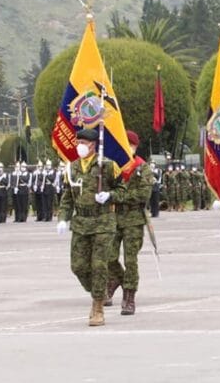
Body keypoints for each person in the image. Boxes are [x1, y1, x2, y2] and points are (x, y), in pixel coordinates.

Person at [57, 128, 127, 326]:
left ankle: (97, 308)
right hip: (81, 224)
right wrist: (63, 218)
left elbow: (122, 190)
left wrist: (110, 196)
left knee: (98, 265)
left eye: (84, 142)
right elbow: (67, 197)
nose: (79, 145)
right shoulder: (71, 168)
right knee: (78, 266)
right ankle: (99, 291)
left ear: (93, 145)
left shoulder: (107, 166)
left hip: (103, 222)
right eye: (77, 141)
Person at [106, 131, 153, 315]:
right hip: (113, 218)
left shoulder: (142, 168)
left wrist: (118, 196)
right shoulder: (113, 167)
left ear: (135, 146)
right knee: (109, 257)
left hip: (133, 219)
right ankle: (119, 279)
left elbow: (143, 194)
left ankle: (129, 296)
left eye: (129, 144)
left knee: (130, 260)